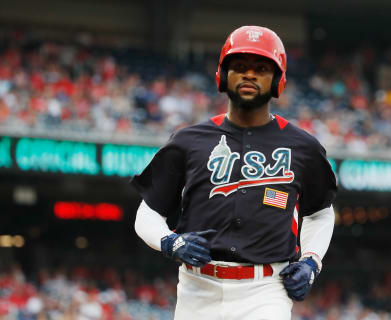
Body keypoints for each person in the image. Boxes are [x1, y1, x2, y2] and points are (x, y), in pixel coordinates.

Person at [130, 25, 337, 320]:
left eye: (261, 68)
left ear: (278, 79)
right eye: (239, 66)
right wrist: (170, 241)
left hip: (265, 290)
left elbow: (320, 212)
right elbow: (148, 212)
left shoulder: (303, 147)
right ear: (223, 75)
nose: (249, 74)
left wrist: (311, 262)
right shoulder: (188, 141)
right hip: (197, 287)